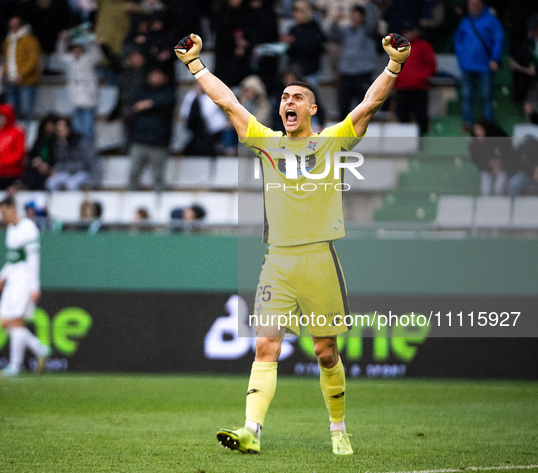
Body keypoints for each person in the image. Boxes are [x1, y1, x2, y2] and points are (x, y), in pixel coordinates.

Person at [174, 31, 410, 454]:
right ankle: (252, 431)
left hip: (319, 258)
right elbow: (227, 102)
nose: (288, 102)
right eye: (284, 97)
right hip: (277, 261)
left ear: (313, 109)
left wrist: (394, 64)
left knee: (324, 352)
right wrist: (195, 64)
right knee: (266, 344)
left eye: (297, 97)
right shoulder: (266, 143)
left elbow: (370, 104)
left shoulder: (332, 142)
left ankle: (338, 428)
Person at [0, 196, 51, 377]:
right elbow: (12, 259)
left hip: (24, 280)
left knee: (16, 321)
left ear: (13, 209)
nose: (2, 217)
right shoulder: (10, 229)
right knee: (4, 321)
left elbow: (33, 259)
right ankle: (39, 349)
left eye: (3, 212)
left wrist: (34, 286)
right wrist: (1, 277)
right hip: (12, 280)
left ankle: (15, 366)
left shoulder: (28, 228)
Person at [454, 0, 504, 133]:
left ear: (481, 5)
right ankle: (467, 123)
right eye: (470, 5)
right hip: (467, 65)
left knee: (486, 96)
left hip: (484, 65)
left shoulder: (491, 21)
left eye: (475, 4)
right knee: (466, 96)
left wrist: (495, 58)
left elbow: (498, 39)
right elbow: (458, 41)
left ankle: (488, 124)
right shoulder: (465, 22)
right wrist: (462, 58)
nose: (472, 7)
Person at [329, 2, 380, 121]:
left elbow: (373, 23)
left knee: (365, 110)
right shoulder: (346, 31)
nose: (354, 17)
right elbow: (333, 36)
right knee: (343, 108)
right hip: (346, 74)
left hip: (363, 74)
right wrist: (335, 22)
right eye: (353, 14)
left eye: (357, 14)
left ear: (362, 16)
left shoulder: (368, 32)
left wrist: (369, 4)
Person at [127, 67, 175, 191]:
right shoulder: (141, 91)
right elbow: (134, 107)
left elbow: (166, 103)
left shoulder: (169, 92)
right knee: (133, 174)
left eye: (157, 75)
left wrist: (149, 104)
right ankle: (130, 203)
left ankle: (160, 205)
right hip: (140, 140)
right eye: (152, 75)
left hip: (158, 142)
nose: (154, 78)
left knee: (158, 177)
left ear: (164, 78)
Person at [54, 29, 102, 146]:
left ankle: (89, 152)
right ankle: (78, 152)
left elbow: (97, 54)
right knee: (77, 129)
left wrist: (90, 39)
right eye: (74, 47)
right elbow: (60, 54)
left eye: (79, 47)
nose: (76, 50)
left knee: (88, 130)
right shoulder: (70, 59)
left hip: (88, 99)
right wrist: (62, 40)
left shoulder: (89, 59)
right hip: (75, 99)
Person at [393, 22, 436, 134]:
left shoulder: (424, 46)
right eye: (406, 32)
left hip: (419, 86)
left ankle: (423, 141)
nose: (408, 34)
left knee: (421, 115)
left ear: (416, 31)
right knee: (402, 115)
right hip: (402, 87)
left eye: (410, 31)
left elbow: (431, 65)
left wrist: (421, 77)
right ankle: (405, 141)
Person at [2, 14, 42, 126]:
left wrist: (21, 74)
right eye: (11, 26)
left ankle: (27, 137)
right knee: (11, 111)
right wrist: (4, 70)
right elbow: (7, 58)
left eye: (15, 25)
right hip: (11, 80)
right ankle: (12, 136)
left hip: (26, 81)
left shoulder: (30, 40)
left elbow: (33, 61)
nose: (13, 28)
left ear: (21, 26)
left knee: (26, 110)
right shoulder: (8, 40)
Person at [281, 1, 328, 92]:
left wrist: (295, 42)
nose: (295, 15)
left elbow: (314, 48)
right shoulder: (293, 29)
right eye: (294, 12)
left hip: (310, 72)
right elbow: (290, 52)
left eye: (298, 12)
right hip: (295, 73)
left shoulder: (314, 29)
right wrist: (286, 43)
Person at [46, 117, 98, 191]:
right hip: (66, 172)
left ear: (68, 129)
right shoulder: (57, 144)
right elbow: (59, 161)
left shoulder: (80, 142)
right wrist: (56, 169)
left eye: (62, 130)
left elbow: (86, 163)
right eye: (58, 131)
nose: (60, 133)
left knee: (71, 184)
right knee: (50, 183)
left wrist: (94, 179)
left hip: (81, 172)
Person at [179, 82, 227, 156]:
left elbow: (207, 113)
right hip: (197, 128)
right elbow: (184, 112)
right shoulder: (190, 95)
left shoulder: (212, 96)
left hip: (213, 129)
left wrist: (198, 100)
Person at [468, 119, 513, 196]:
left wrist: (499, 165)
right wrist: (490, 166)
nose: (477, 132)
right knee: (486, 191)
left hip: (503, 168)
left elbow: (509, 156)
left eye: (479, 129)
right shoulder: (474, 144)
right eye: (475, 130)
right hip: (487, 169)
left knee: (499, 189)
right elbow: (477, 161)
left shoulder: (498, 138)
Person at [23, 113, 58, 190]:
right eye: (48, 125)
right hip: (37, 168)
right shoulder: (39, 140)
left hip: (51, 169)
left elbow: (58, 157)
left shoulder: (57, 141)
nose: (49, 128)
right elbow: (32, 155)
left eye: (52, 125)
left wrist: (48, 166)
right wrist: (34, 161)